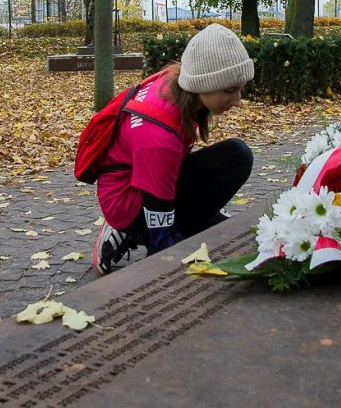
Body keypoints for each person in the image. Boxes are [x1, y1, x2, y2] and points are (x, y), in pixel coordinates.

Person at [92, 23, 255, 275]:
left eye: (240, 88)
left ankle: (196, 220)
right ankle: (128, 231)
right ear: (202, 84)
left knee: (237, 155)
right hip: (128, 202)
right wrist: (176, 259)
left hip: (142, 178)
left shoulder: (177, 81)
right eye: (229, 90)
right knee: (236, 161)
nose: (238, 101)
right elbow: (162, 241)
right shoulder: (159, 137)